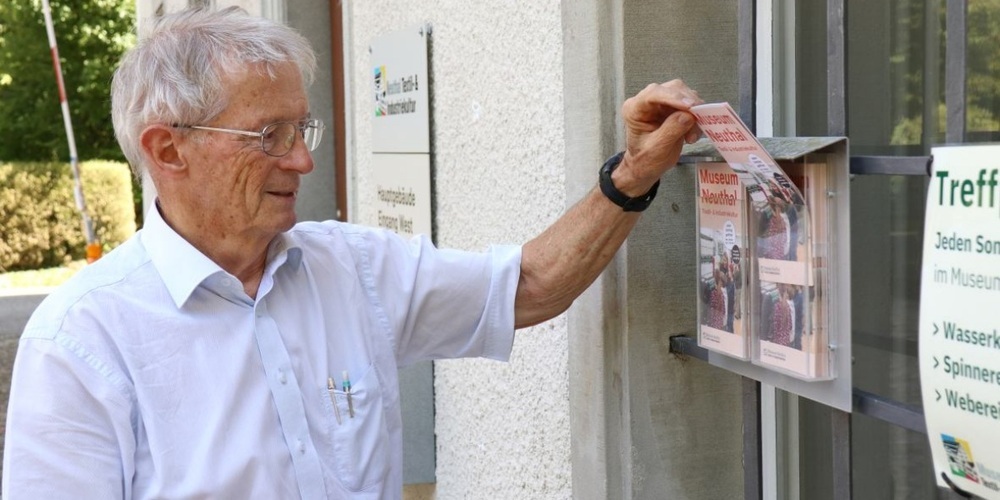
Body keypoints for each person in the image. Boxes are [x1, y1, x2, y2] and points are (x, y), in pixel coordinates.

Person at [1, 6, 702, 499]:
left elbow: (530, 286)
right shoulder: (82, 342)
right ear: (168, 149)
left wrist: (631, 178)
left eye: (301, 128)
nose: (303, 161)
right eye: (268, 135)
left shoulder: (352, 268)